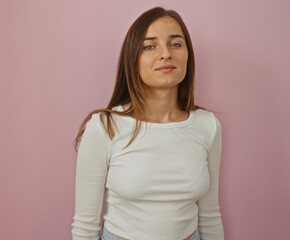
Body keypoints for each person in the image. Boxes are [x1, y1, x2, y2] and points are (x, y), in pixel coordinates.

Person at [71, 7, 225, 240]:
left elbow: (210, 216)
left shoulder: (208, 126)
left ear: (187, 55)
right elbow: (85, 227)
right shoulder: (104, 126)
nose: (166, 54)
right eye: (150, 46)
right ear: (132, 59)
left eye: (175, 44)